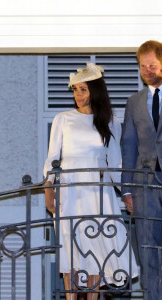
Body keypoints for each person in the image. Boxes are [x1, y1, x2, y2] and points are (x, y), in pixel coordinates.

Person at [44, 62, 138, 300]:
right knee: (71, 248)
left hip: (98, 193)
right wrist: (49, 192)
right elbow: (52, 159)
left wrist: (127, 194)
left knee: (96, 248)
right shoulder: (63, 119)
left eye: (83, 89)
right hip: (70, 192)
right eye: (75, 90)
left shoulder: (110, 122)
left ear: (94, 92)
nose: (78, 95)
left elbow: (115, 164)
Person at [121, 40, 162, 300]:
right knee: (147, 249)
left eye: (153, 65)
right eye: (143, 65)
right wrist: (126, 190)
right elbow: (128, 146)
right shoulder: (134, 102)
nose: (147, 70)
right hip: (144, 184)